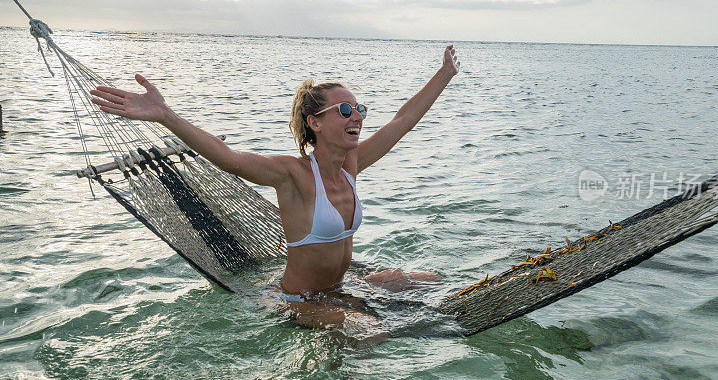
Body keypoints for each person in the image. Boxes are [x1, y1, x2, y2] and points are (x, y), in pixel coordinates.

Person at [90, 45, 460, 332]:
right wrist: (165, 114)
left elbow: (404, 119)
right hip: (296, 299)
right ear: (315, 122)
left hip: (340, 287)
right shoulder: (293, 174)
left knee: (430, 281)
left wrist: (445, 73)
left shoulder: (352, 165)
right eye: (345, 110)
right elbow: (228, 158)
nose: (358, 116)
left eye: (358, 108)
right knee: (367, 328)